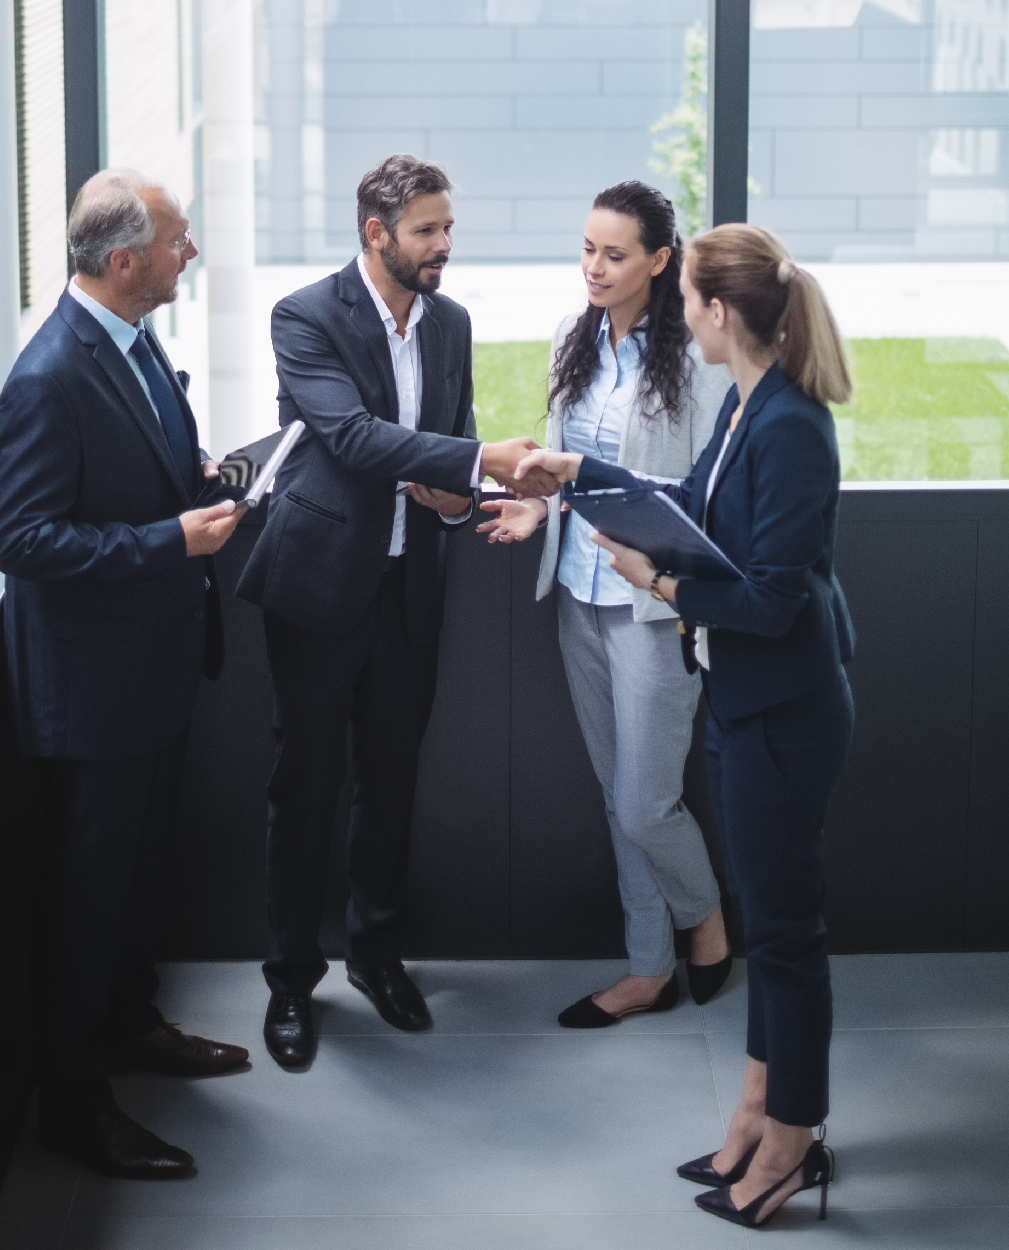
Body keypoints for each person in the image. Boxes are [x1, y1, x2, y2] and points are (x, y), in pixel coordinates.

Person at [515, 222, 855, 1229]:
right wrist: (576, 478)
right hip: (743, 699)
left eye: (689, 301)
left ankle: (792, 1138)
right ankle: (757, 1104)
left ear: (714, 308)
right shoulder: (747, 406)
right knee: (772, 924)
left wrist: (657, 579)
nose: (681, 318)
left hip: (783, 711)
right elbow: (689, 503)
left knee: (787, 936)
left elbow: (770, 598)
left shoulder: (790, 422)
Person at [235, 154, 560, 1068]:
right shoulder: (304, 315)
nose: (444, 246)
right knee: (303, 791)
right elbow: (347, 436)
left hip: (408, 587)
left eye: (448, 228)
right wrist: (476, 462)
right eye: (427, 230)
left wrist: (459, 495)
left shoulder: (450, 324)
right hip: (317, 588)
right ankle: (291, 982)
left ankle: (376, 957)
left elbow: (444, 440)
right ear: (376, 233)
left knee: (391, 784)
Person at [0, 169, 249, 1179]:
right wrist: (167, 539)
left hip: (150, 674)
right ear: (128, 259)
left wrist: (196, 483)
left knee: (139, 879)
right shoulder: (47, 376)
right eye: (181, 242)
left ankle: (134, 1026)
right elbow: (21, 538)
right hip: (90, 696)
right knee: (85, 899)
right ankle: (74, 1101)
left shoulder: (136, 343)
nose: (193, 255)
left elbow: (135, 468)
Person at [476, 182, 734, 1024]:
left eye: (614, 254)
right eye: (586, 248)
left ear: (660, 262)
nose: (593, 267)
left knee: (644, 801)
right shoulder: (571, 336)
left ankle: (706, 919)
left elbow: (702, 493)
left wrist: (625, 523)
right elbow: (565, 465)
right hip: (577, 595)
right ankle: (647, 967)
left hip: (652, 606)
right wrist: (538, 505)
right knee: (612, 792)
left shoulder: (694, 358)